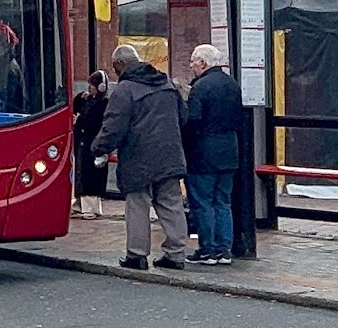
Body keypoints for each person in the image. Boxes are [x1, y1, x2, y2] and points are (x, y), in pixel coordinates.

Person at [91, 44, 189, 271]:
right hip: (169, 155)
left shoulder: (125, 89)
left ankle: (137, 255)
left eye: (115, 68)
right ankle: (176, 254)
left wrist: (98, 148)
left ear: (120, 65)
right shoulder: (167, 83)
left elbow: (113, 126)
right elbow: (184, 118)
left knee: (137, 205)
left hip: (138, 157)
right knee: (171, 203)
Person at [183, 44, 243, 266]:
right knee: (223, 202)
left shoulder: (200, 88)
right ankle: (224, 250)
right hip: (229, 150)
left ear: (203, 63)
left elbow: (194, 122)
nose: (191, 65)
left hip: (203, 153)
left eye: (193, 61)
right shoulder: (232, 84)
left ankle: (207, 249)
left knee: (203, 202)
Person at [72, 70, 110, 218]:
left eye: (91, 86)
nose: (89, 88)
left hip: (93, 142)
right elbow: (76, 108)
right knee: (81, 172)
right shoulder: (88, 100)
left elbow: (94, 122)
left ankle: (91, 208)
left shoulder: (103, 104)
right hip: (83, 141)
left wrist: (79, 121)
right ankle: (81, 204)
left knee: (90, 174)